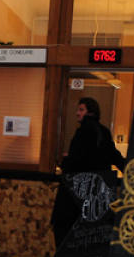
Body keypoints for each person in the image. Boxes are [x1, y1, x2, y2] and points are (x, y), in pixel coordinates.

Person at [52, 96, 125, 245]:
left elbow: (76, 162)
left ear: (90, 112)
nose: (77, 113)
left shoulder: (82, 132)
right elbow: (113, 156)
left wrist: (65, 161)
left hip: (76, 194)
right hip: (97, 194)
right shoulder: (104, 132)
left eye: (81, 109)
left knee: (65, 232)